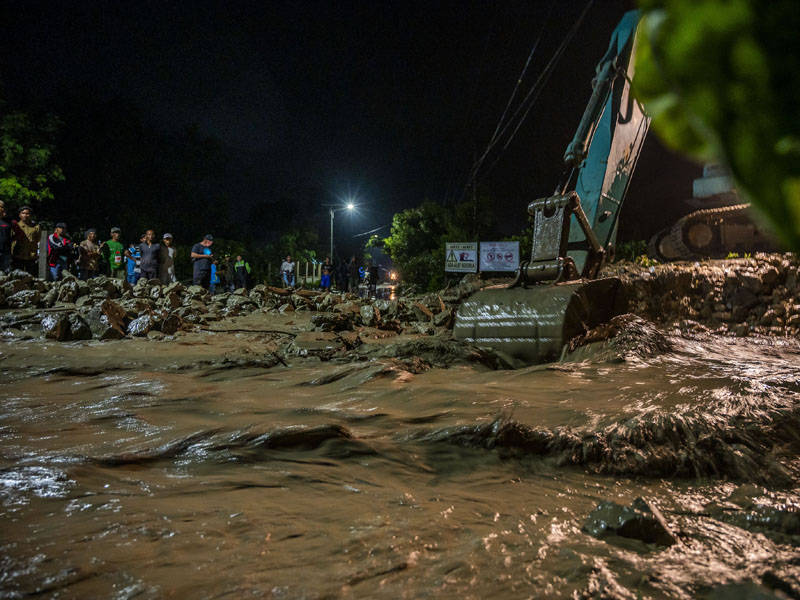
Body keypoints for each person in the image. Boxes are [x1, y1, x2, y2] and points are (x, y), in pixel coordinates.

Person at [11, 205, 41, 275]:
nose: (25, 215)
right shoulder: (16, 226)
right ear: (19, 215)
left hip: (31, 255)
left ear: (30, 215)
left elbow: (38, 239)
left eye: (27, 213)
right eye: (23, 213)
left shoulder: (36, 227)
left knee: (30, 276)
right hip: (18, 255)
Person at [0, 201, 12, 273]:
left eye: (2, 207)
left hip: (5, 253)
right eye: (0, 206)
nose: (1, 209)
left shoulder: (8, 221)